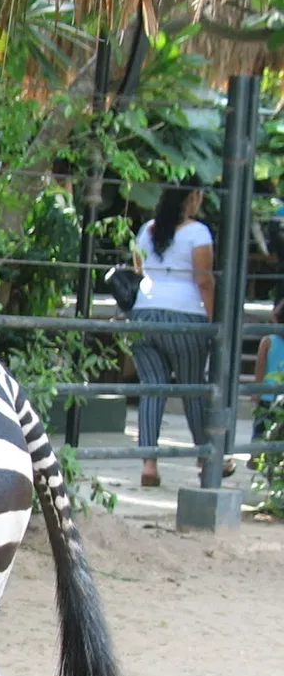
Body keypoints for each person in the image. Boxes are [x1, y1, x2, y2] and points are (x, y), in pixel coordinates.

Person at [129, 178, 226, 487]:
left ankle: (148, 465)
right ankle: (204, 457)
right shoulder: (198, 233)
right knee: (192, 386)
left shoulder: (147, 230)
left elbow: (139, 270)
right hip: (185, 315)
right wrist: (214, 322)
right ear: (192, 198)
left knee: (152, 387)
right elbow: (205, 281)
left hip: (144, 312)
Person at [250, 297, 284, 449]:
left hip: (266, 394)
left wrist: (257, 389)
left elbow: (260, 367)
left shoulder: (268, 341)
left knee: (260, 427)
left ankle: (255, 454)